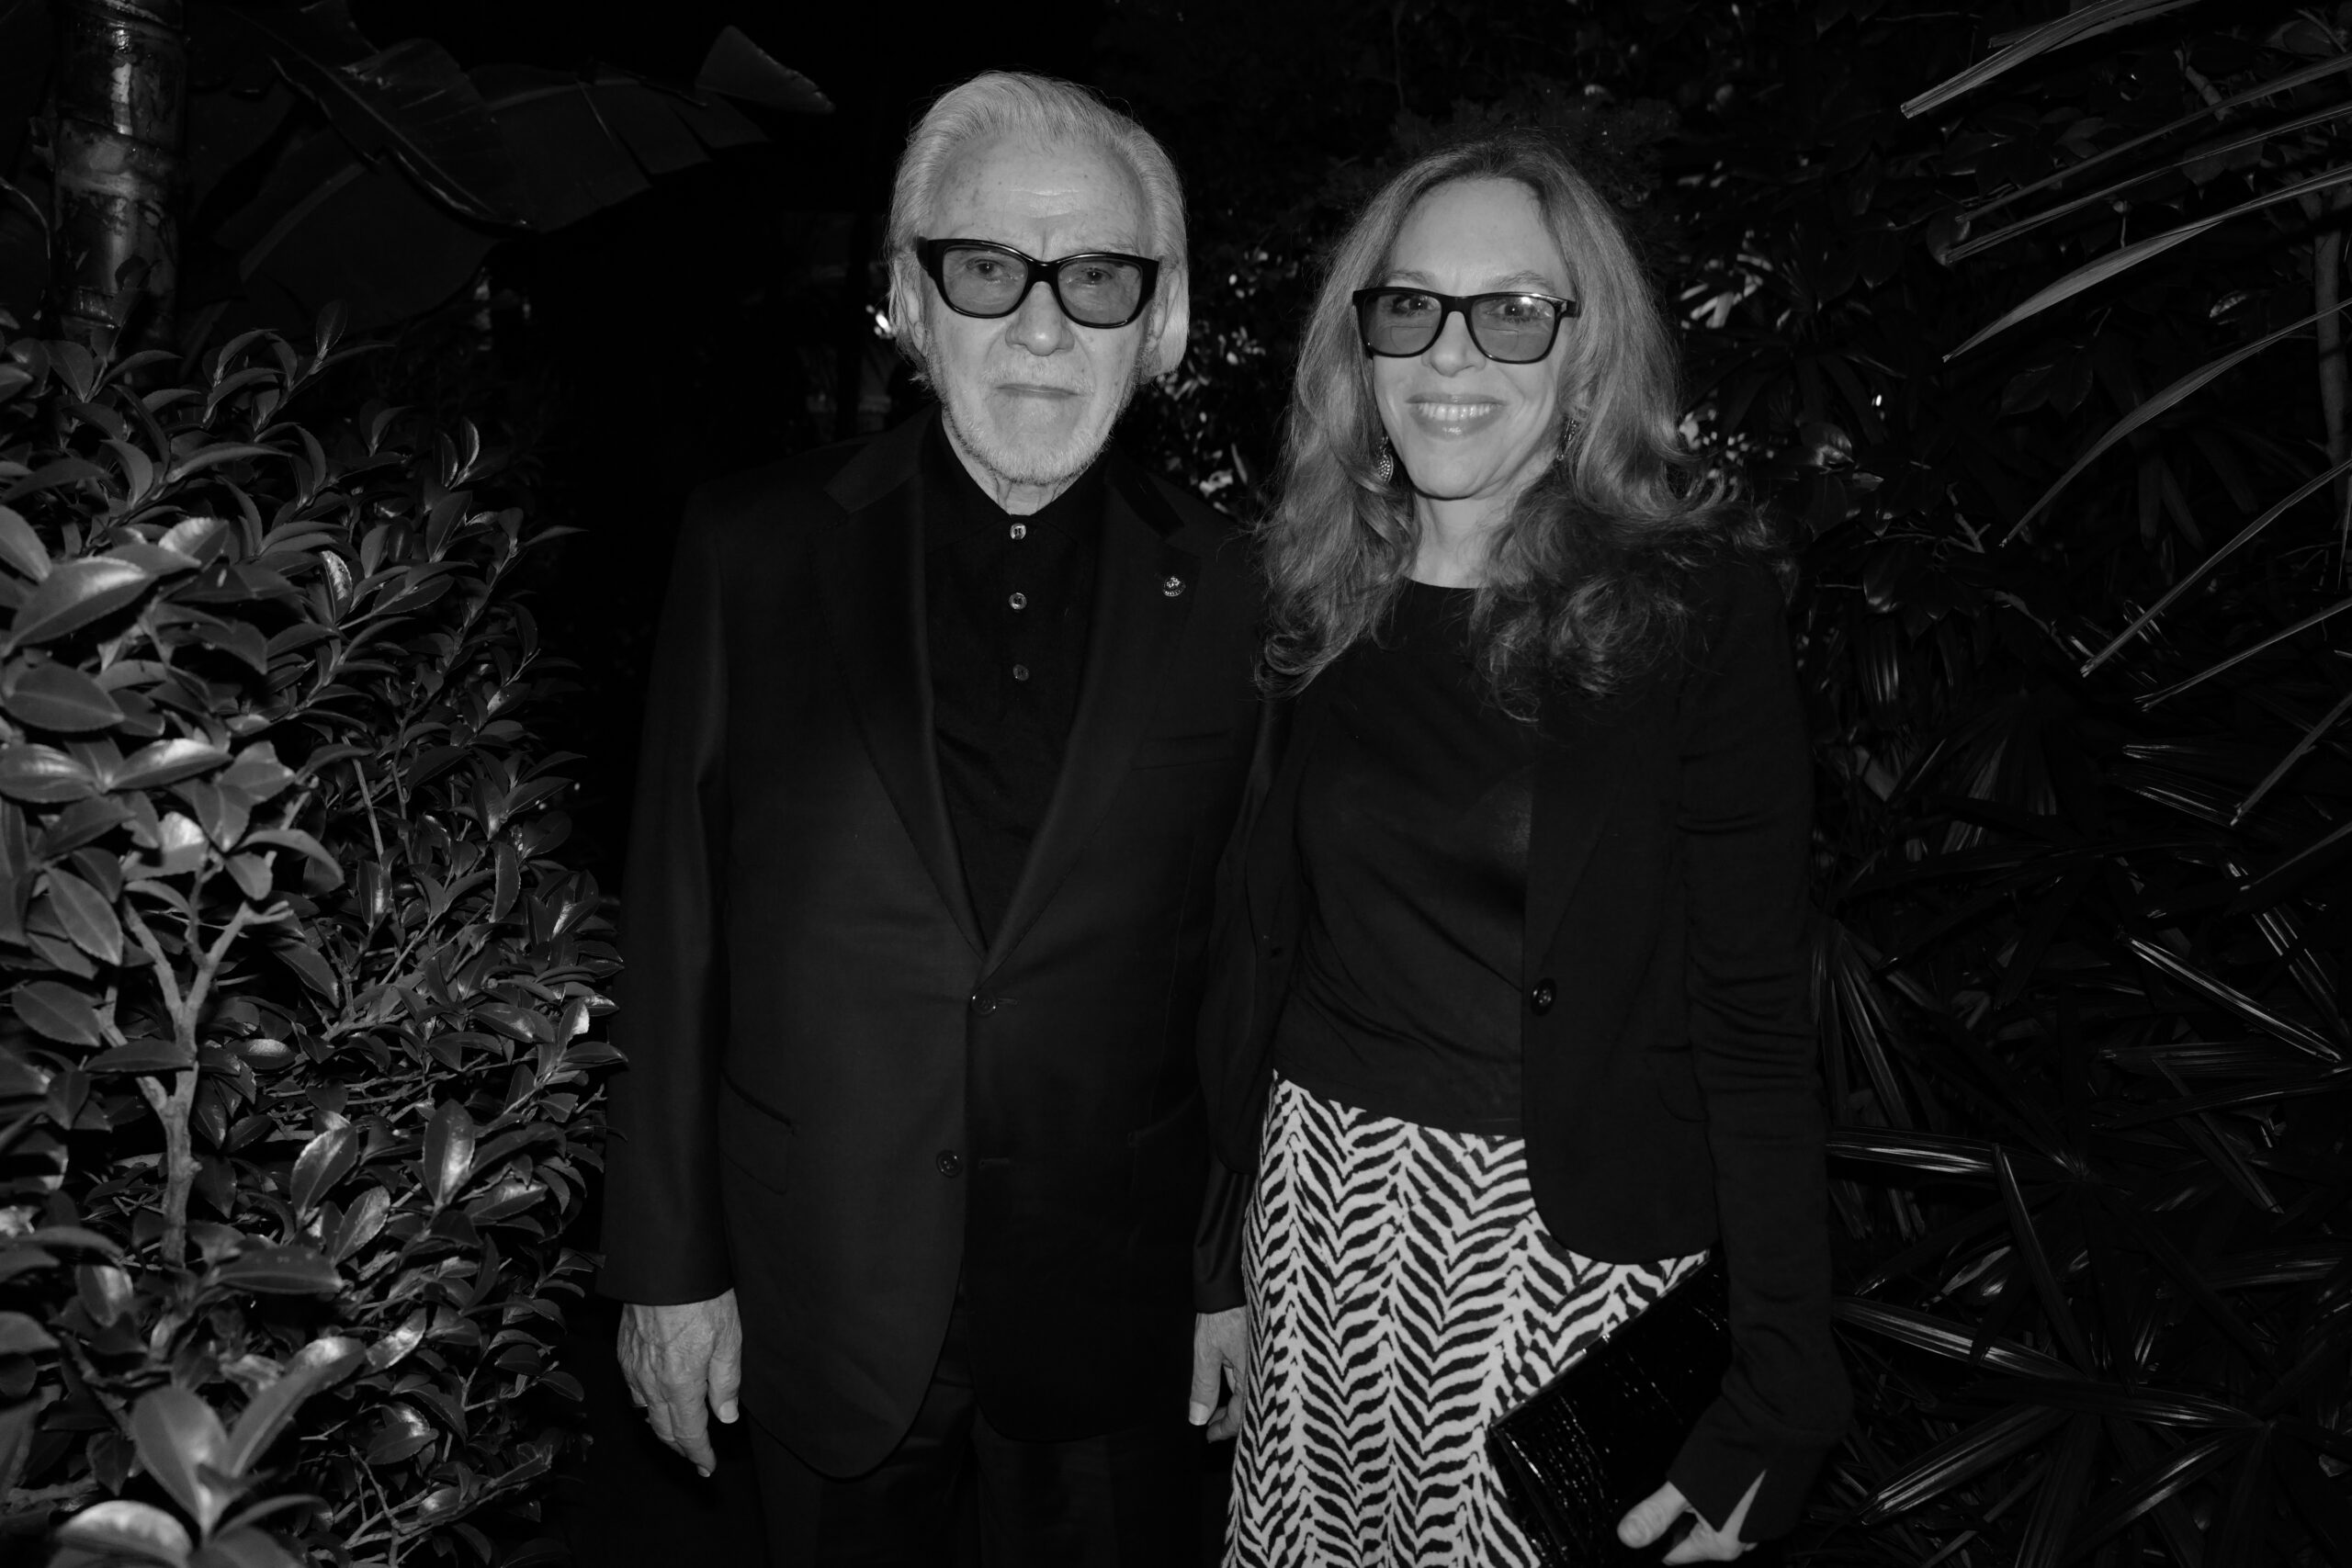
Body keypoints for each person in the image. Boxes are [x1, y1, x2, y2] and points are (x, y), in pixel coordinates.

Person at [598, 72, 1257, 1565]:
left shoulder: (1239, 590)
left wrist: (1223, 1267)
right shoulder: (753, 550)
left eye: (1097, 279)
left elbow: (1245, 957)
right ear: (909, 299)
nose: (1043, 327)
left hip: (1114, 1302)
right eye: (987, 270)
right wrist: (666, 1267)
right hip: (820, 1277)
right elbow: (675, 925)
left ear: (1159, 323)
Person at [1199, 130, 1850, 1566]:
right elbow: (1256, 963)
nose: (1452, 354)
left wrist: (1785, 1383)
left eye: (1512, 312)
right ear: (1362, 344)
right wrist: (1215, 1263)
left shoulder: (1692, 612)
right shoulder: (1314, 598)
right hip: (1317, 1225)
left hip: (1562, 1269)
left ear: (1585, 350)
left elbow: (1755, 1022)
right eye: (1411, 306)